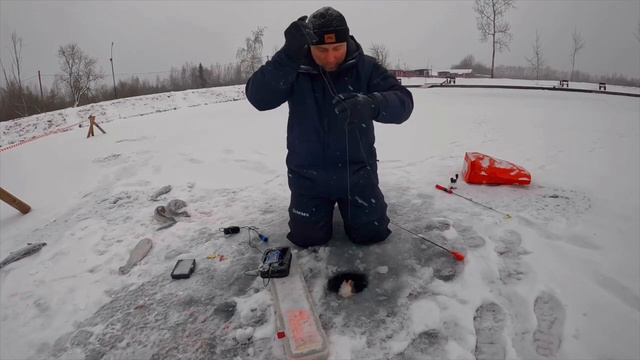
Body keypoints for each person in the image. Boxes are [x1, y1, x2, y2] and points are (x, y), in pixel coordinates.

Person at [245, 6, 413, 248]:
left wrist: (373, 104)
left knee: (371, 235)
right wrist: (287, 56)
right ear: (309, 47)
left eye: (337, 48)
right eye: (321, 50)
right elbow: (258, 98)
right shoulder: (294, 68)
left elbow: (404, 102)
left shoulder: (366, 68)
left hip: (358, 176)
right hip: (307, 178)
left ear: (348, 41)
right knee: (307, 240)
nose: (331, 57)